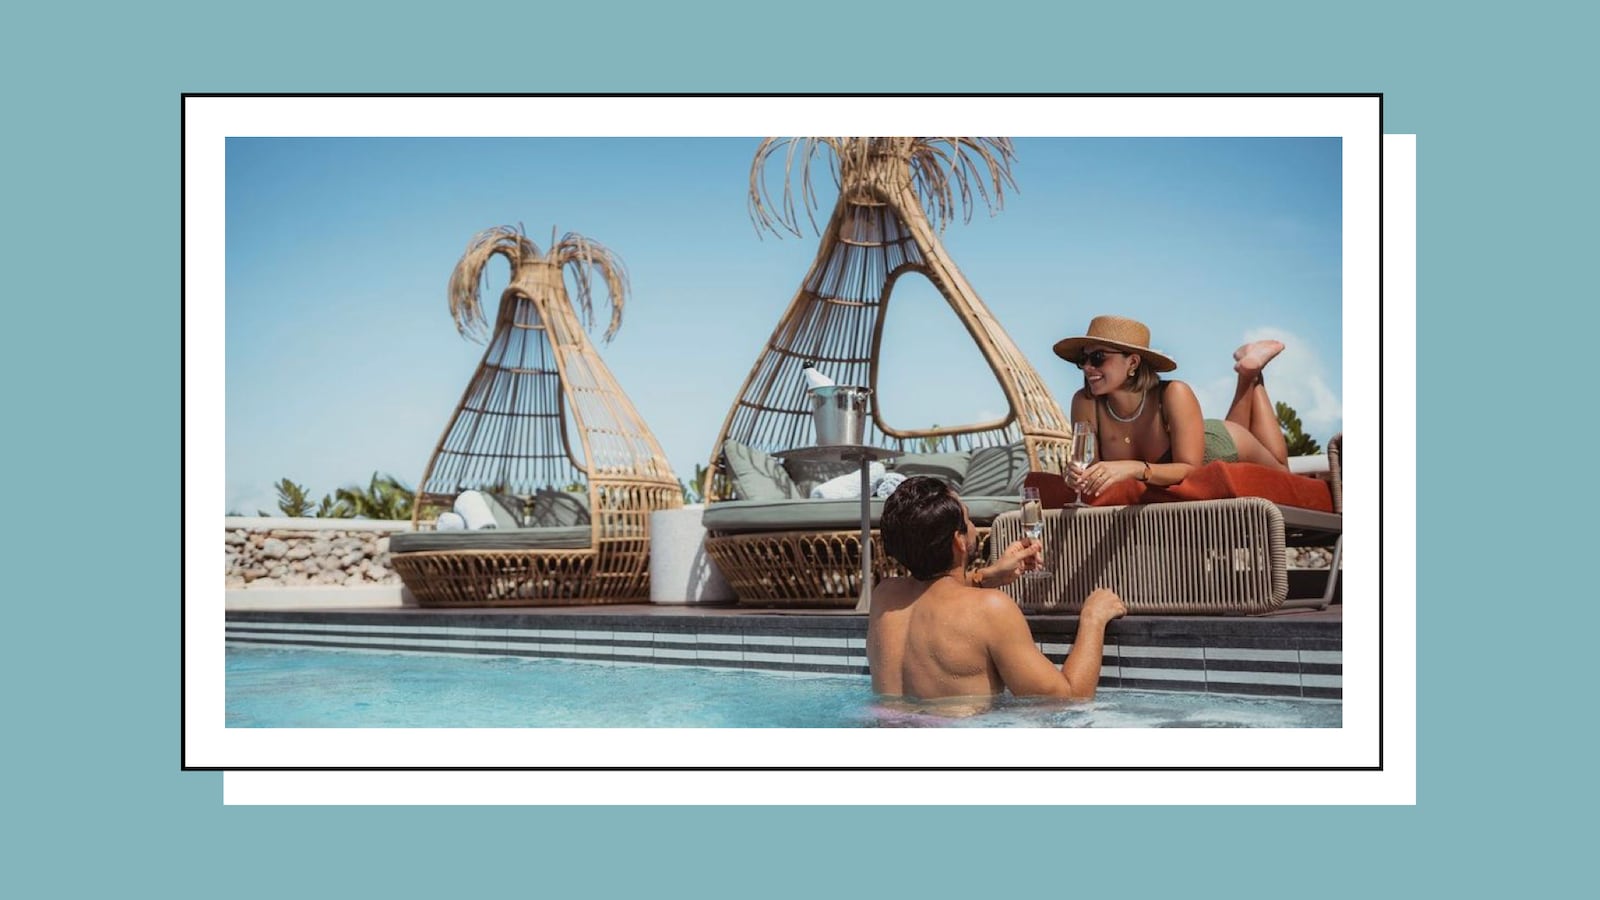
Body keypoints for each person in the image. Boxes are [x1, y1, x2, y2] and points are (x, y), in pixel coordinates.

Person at [867, 476, 1126, 704]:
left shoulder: (884, 597)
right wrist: (1093, 618)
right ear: (959, 541)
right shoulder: (990, 609)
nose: (971, 526)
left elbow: (931, 592)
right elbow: (1066, 701)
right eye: (967, 520)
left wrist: (987, 575)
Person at [1052, 315, 1290, 498]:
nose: (1087, 367)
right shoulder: (1086, 402)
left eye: (1098, 358)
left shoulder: (1174, 393)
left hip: (1218, 444)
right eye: (1083, 359)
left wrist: (1134, 468)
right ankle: (1248, 372)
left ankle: (1251, 374)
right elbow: (1093, 473)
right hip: (1188, 435)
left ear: (1133, 362)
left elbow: (1192, 471)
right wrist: (1075, 476)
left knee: (1284, 473)